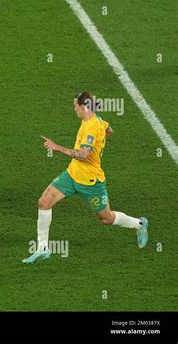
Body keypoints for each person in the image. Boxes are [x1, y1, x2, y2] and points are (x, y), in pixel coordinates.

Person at [23, 92, 149, 265]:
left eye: (76, 106)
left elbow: (83, 155)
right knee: (44, 202)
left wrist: (56, 147)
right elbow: (108, 130)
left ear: (85, 106)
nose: (75, 109)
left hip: (91, 182)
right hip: (72, 174)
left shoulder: (91, 127)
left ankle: (139, 224)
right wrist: (99, 142)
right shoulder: (94, 121)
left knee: (106, 218)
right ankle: (42, 248)